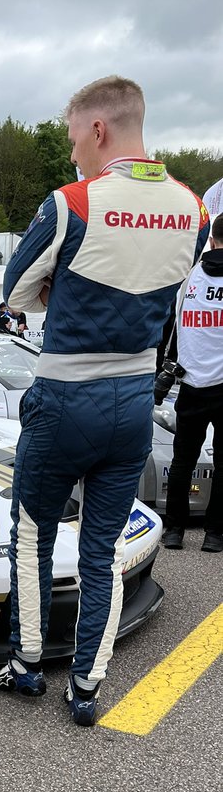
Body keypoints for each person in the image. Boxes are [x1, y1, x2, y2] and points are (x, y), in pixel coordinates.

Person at [0, 76, 209, 726]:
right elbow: (169, 286)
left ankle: (28, 664)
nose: (71, 156)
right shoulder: (193, 210)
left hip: (65, 395)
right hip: (133, 402)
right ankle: (86, 687)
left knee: (31, 535)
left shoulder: (71, 202)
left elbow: (13, 293)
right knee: (101, 550)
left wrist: (63, 290)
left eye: (72, 141)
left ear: (97, 130)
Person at [157, 211, 223, 554]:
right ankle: (214, 534)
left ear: (212, 241)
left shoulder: (189, 275)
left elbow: (169, 326)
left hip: (191, 383)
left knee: (183, 461)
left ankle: (174, 530)